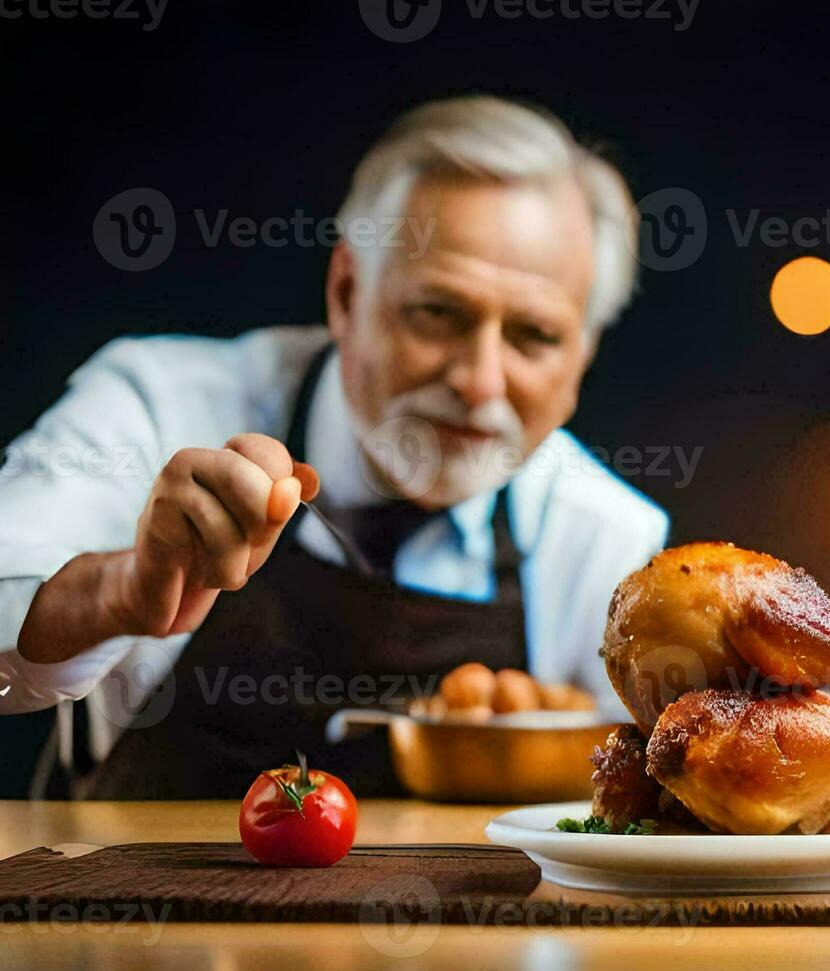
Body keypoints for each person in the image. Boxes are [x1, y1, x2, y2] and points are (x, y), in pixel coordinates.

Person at [0, 96, 668, 798]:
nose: (479, 382)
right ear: (346, 292)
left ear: (584, 357)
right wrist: (121, 590)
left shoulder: (607, 540)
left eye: (534, 336)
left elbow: (633, 819)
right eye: (437, 313)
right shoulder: (158, 405)